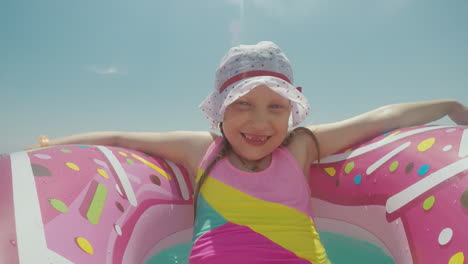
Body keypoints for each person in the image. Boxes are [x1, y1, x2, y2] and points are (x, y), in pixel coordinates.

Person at [28, 41, 467, 264]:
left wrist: (446, 107)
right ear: (220, 109)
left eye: (275, 108)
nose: (260, 124)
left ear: (291, 111)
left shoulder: (300, 148)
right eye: (244, 106)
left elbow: (377, 119)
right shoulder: (201, 149)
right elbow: (124, 139)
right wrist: (56, 146)